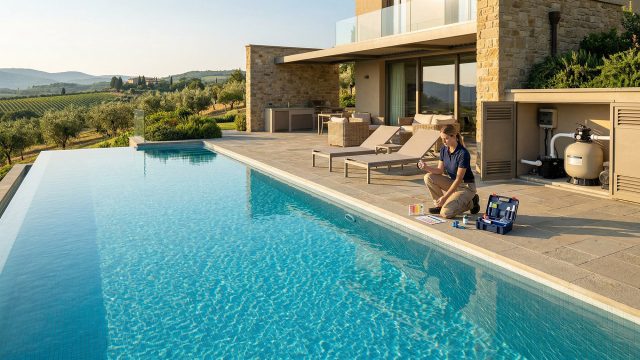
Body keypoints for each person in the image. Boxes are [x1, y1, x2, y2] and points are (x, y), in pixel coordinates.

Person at [417, 124, 480, 218]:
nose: (443, 142)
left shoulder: (463, 154)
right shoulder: (444, 149)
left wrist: (445, 197)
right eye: (442, 139)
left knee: (446, 213)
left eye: (445, 138)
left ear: (454, 136)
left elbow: (458, 180)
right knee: (428, 177)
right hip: (454, 183)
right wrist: (426, 167)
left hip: (466, 187)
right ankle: (439, 204)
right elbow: (439, 171)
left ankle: (471, 201)